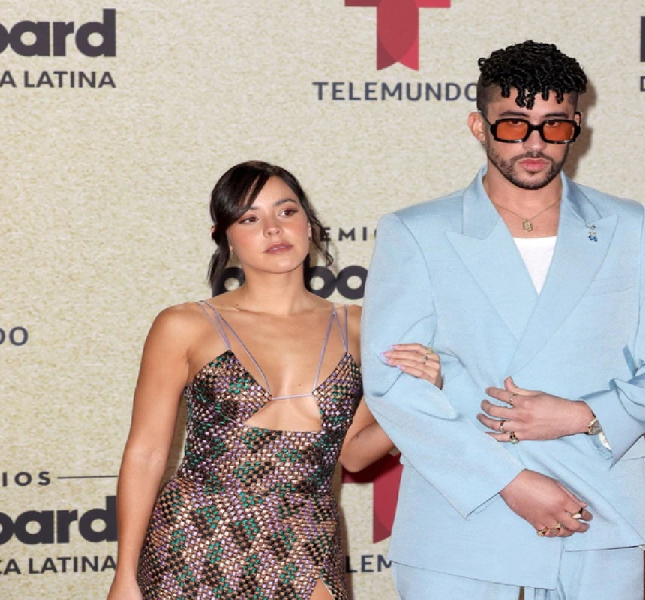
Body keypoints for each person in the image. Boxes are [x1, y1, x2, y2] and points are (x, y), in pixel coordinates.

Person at [361, 41, 645, 599]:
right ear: (478, 125)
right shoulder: (416, 232)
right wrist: (508, 481)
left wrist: (583, 415)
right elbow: (393, 386)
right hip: (463, 509)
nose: (535, 143)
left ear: (577, 127)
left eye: (554, 126)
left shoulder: (629, 226)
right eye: (514, 124)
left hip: (596, 503)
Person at [106, 161, 442, 600]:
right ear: (225, 236)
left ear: (309, 223)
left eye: (286, 211)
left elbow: (355, 454)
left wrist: (417, 396)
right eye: (250, 218)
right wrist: (125, 575)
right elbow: (147, 453)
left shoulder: (360, 327)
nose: (273, 229)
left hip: (306, 537)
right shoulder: (185, 325)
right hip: (196, 540)